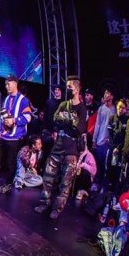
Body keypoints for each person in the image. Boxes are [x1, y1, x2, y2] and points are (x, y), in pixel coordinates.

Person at [34, 76, 87, 220]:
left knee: (65, 183)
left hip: (71, 151)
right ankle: (44, 203)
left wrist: (66, 122)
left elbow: (79, 129)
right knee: (48, 177)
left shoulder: (82, 109)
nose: (67, 90)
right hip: (57, 147)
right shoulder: (63, 104)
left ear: (77, 89)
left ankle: (57, 208)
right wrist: (69, 121)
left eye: (70, 87)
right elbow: (55, 120)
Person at [0, 75, 32, 194]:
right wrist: (0, 131)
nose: (6, 86)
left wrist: (14, 120)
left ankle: (8, 185)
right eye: (5, 84)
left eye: (9, 84)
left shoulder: (23, 100)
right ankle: (1, 182)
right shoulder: (6, 98)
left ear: (15, 84)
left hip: (15, 138)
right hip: (4, 136)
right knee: (1, 161)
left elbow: (28, 117)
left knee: (11, 163)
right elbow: (2, 116)